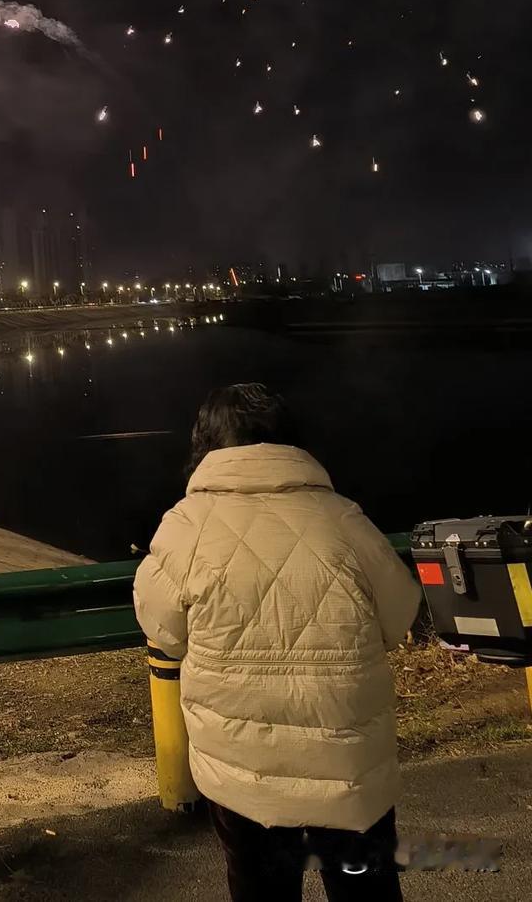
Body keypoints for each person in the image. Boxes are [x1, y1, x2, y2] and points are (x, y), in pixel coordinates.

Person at [133, 382, 421, 902]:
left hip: (244, 776)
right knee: (365, 890)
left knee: (262, 891)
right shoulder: (344, 520)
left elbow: (164, 634)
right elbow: (400, 616)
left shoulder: (184, 528)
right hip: (349, 766)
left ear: (205, 445)